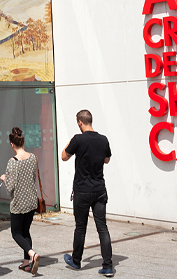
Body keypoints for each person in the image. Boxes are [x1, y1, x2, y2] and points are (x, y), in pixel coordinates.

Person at [61, 110, 114, 277]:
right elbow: (107, 160)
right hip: (99, 189)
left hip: (82, 190)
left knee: (80, 227)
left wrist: (71, 143)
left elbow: (64, 156)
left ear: (79, 122)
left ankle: (76, 261)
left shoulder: (78, 139)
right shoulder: (103, 139)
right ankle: (108, 265)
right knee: (102, 227)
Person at [0, 127, 40, 274]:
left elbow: (10, 187)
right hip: (31, 200)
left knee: (16, 233)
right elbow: (33, 178)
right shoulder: (33, 157)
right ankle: (26, 263)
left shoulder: (12, 162)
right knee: (26, 231)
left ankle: (32, 254)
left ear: (12, 144)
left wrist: (4, 178)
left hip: (18, 203)